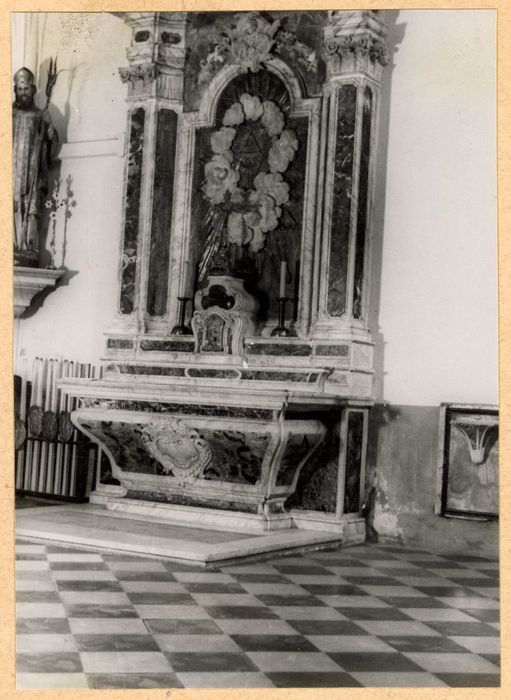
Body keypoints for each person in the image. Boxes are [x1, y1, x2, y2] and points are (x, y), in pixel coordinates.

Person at [12, 67, 59, 266]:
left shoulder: (40, 116)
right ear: (15, 90)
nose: (23, 93)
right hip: (10, 175)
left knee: (31, 211)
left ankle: (28, 249)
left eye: (26, 89)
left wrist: (49, 127)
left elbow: (52, 147)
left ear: (33, 90)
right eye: (20, 89)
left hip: (32, 174)